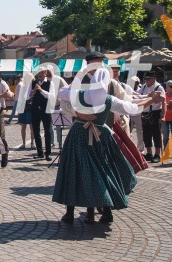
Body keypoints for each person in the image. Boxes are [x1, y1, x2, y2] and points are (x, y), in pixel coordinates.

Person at [53, 68, 155, 225]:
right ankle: (103, 212)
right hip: (101, 136)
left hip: (78, 136)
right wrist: (151, 100)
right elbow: (133, 108)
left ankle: (71, 213)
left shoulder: (80, 94)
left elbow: (61, 93)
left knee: (74, 170)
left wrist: (78, 113)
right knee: (103, 171)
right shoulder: (108, 99)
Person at [137, 71, 165, 162]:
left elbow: (164, 101)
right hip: (145, 113)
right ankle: (149, 153)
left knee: (156, 134)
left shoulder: (159, 87)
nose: (147, 80)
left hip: (155, 112)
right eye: (146, 79)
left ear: (154, 78)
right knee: (146, 134)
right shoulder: (144, 87)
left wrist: (163, 115)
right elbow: (137, 95)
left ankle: (157, 154)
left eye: (149, 79)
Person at [29, 67, 53, 161]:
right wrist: (34, 90)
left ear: (45, 73)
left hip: (46, 109)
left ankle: (48, 153)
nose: (40, 75)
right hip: (35, 109)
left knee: (47, 131)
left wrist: (41, 90)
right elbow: (28, 96)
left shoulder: (50, 83)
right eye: (39, 73)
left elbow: (51, 96)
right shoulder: (33, 83)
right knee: (36, 131)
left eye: (42, 73)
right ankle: (40, 153)